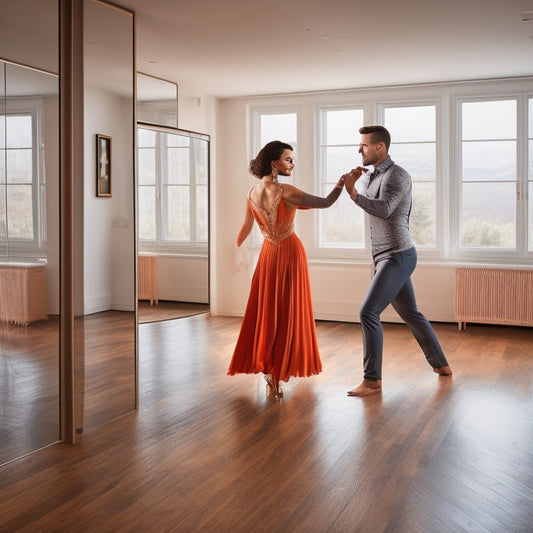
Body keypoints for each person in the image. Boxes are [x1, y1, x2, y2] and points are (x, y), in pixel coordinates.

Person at [228, 140, 344, 398]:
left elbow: (246, 229)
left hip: (268, 254)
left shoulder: (251, 194)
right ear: (274, 163)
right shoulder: (287, 191)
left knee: (268, 311)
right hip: (290, 252)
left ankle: (271, 373)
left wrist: (234, 250)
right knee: (287, 311)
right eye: (288, 159)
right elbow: (326, 202)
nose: (292, 163)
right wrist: (342, 184)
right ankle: (278, 372)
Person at [342, 125, 452, 397]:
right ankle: (442, 365)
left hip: (398, 255)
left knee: (368, 312)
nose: (359, 149)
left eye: (364, 145)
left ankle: (372, 381)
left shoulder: (398, 174)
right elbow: (369, 196)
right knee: (411, 313)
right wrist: (356, 183)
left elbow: (385, 209)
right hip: (384, 256)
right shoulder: (373, 176)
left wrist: (354, 193)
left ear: (380, 147)